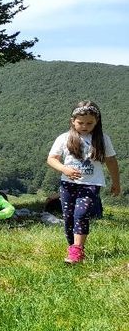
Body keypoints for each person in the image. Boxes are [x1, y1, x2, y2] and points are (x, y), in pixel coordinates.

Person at [46, 101, 121, 263]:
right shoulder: (64, 138)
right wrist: (64, 169)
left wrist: (116, 182)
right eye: (81, 123)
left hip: (91, 184)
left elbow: (111, 161)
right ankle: (73, 249)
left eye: (90, 123)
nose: (85, 126)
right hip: (67, 184)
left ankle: (77, 252)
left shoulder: (102, 139)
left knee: (81, 214)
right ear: (73, 120)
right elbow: (52, 159)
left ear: (97, 122)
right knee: (69, 217)